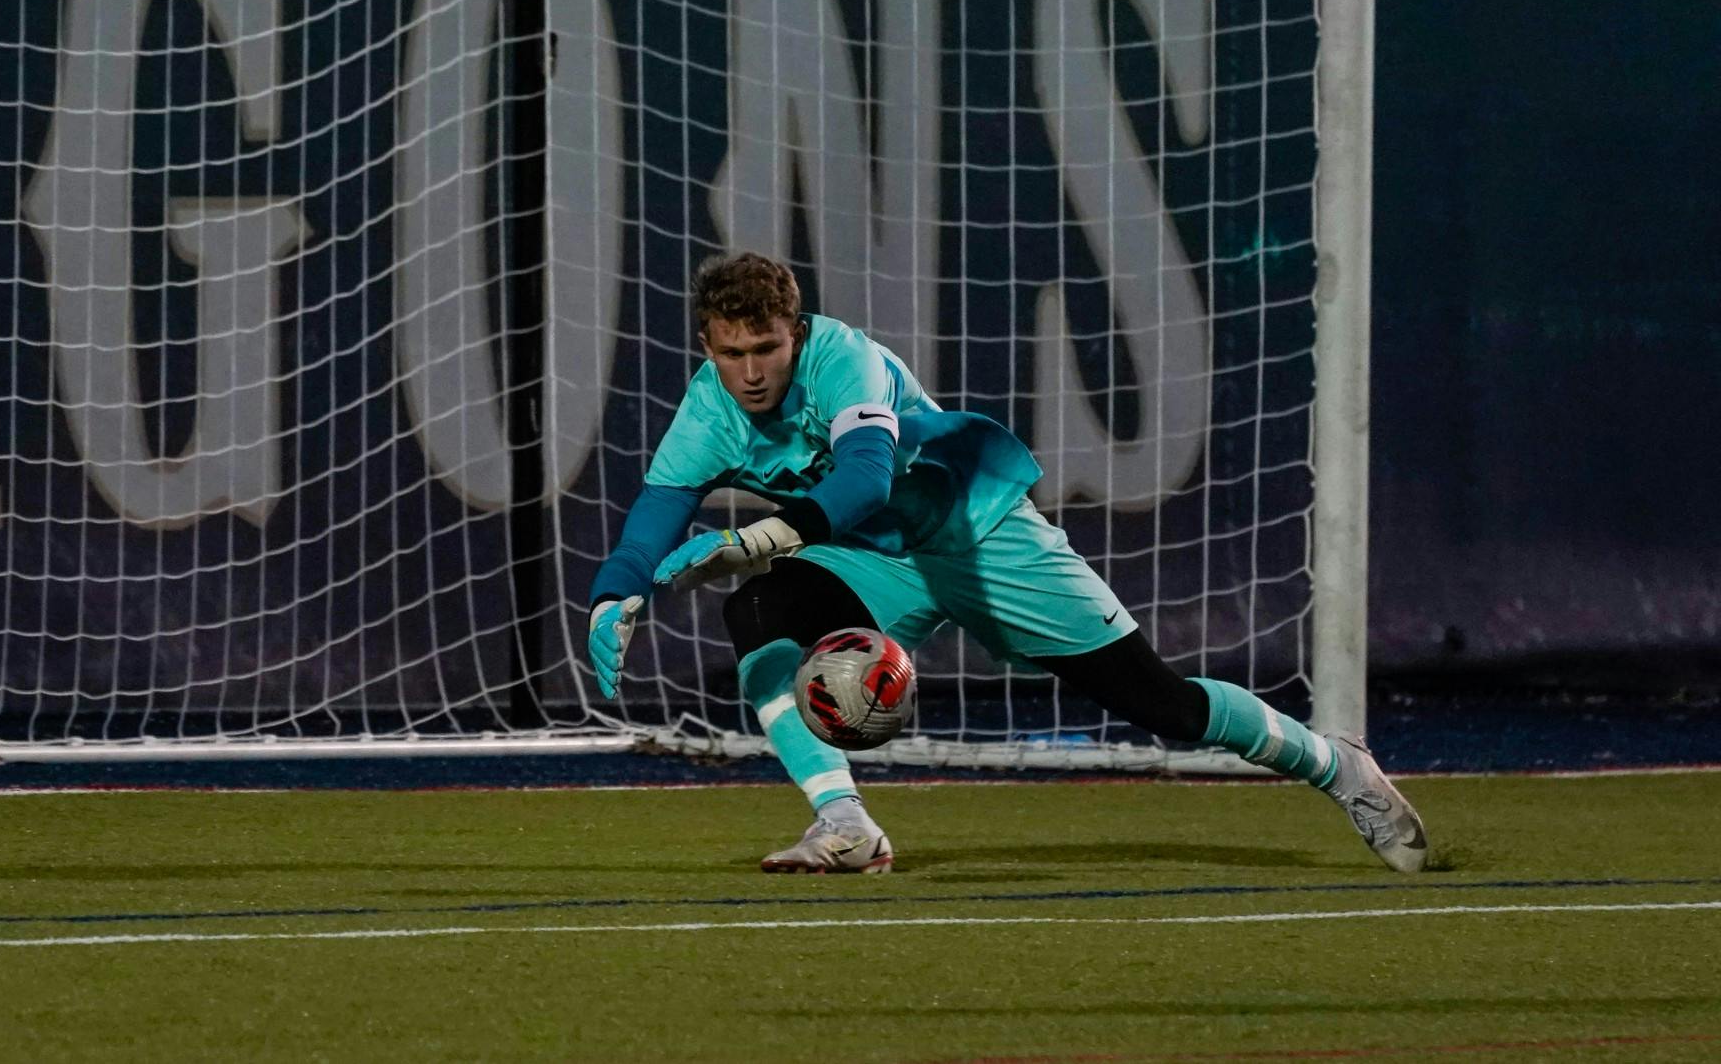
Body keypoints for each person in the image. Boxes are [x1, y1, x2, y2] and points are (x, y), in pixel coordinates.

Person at [586, 252, 1428, 875]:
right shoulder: (709, 408)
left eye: (765, 346)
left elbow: (868, 477)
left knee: (1158, 701)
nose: (752, 370)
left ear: (794, 331)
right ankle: (843, 821)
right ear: (707, 344)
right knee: (757, 617)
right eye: (732, 353)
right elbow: (656, 515)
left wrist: (759, 538)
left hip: (980, 533)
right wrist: (613, 595)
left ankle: (1334, 764)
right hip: (880, 558)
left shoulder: (845, 359)